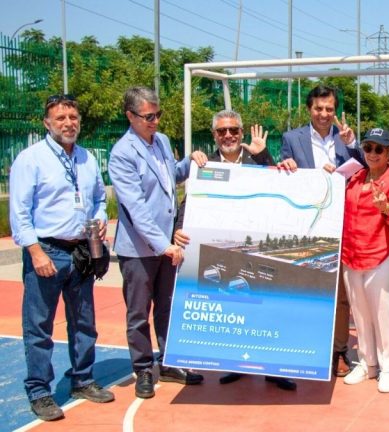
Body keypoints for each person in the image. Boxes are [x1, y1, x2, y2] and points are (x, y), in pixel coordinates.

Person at [172, 109, 296, 391]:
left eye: (233, 130)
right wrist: (177, 230)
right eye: (221, 131)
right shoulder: (205, 165)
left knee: (266, 309)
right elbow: (189, 204)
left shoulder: (257, 160)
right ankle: (237, 365)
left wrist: (265, 156)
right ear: (214, 135)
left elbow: (280, 186)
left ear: (241, 133)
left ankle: (273, 369)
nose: (228, 135)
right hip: (225, 252)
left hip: (259, 249)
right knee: (236, 309)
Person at [10, 94, 115, 421]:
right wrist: (35, 252)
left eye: (73, 118)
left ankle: (82, 379)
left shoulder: (87, 158)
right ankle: (39, 391)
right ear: (47, 123)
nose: (68, 123)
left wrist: (100, 219)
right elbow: (19, 213)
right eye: (60, 118)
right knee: (39, 326)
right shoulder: (31, 159)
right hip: (47, 251)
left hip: (81, 251)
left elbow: (99, 199)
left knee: (84, 321)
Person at [108, 86, 207, 399]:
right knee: (139, 312)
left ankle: (167, 361)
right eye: (148, 116)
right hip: (139, 249)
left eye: (157, 114)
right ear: (130, 116)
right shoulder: (122, 154)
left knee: (166, 306)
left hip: (168, 247)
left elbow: (171, 177)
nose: (155, 121)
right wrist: (163, 244)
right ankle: (142, 368)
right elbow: (135, 208)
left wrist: (190, 162)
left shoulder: (161, 141)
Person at [278, 84, 360, 377]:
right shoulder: (291, 139)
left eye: (329, 109)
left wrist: (353, 144)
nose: (324, 114)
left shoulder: (345, 137)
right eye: (318, 108)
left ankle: (338, 351)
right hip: (306, 227)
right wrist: (285, 165)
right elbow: (283, 177)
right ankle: (304, 346)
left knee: (340, 296)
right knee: (304, 290)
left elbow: (365, 168)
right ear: (309, 109)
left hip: (342, 225)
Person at [341, 128, 389, 393]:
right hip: (351, 254)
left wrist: (386, 207)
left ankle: (388, 367)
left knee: (384, 314)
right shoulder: (355, 177)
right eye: (368, 148)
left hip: (381, 254)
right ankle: (367, 363)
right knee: (360, 314)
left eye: (379, 149)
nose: (372, 153)